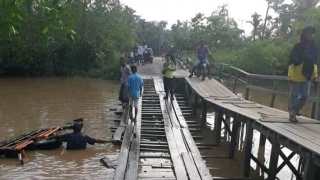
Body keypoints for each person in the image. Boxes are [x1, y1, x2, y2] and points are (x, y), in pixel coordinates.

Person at [288, 25, 318, 122]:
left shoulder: (313, 48)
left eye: (312, 33)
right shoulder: (298, 46)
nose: (311, 35)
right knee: (294, 95)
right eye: (309, 33)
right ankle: (292, 113)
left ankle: (296, 109)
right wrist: (290, 75)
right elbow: (291, 61)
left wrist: (314, 74)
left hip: (307, 75)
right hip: (296, 75)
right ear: (305, 34)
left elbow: (314, 62)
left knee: (305, 95)